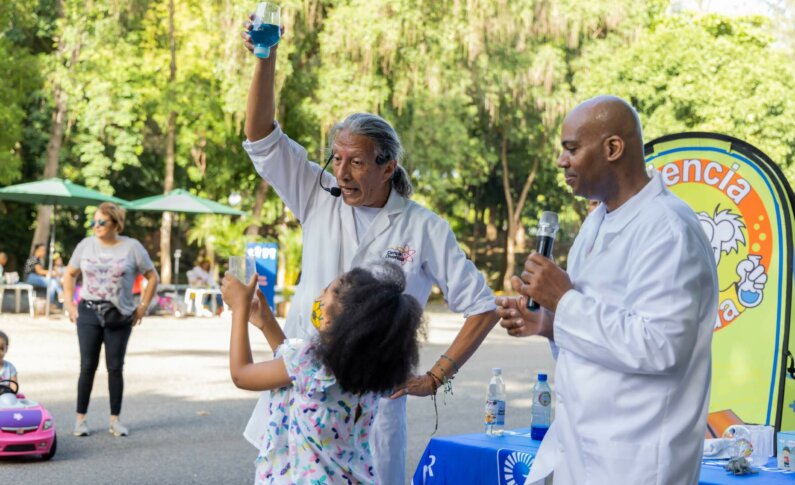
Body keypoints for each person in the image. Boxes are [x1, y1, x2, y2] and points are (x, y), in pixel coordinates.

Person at [240, 24, 499, 483]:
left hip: (369, 416)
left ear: (387, 165)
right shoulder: (318, 194)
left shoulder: (423, 226)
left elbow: (482, 307)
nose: (342, 172)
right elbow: (261, 136)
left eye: (357, 162)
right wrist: (265, 56)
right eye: (336, 159)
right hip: (296, 402)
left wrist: (435, 376)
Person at [496, 96, 719, 485]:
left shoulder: (668, 229)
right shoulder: (597, 221)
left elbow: (661, 345)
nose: (562, 162)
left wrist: (563, 301)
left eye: (571, 149)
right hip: (583, 449)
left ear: (613, 148)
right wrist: (548, 322)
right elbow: (597, 329)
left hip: (637, 460)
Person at [222, 262, 422, 484]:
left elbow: (242, 374)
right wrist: (266, 321)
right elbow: (296, 371)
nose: (317, 298)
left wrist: (239, 309)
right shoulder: (369, 367)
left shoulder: (307, 361)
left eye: (324, 294)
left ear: (330, 320)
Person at [62, 202, 159, 438]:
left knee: (115, 368)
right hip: (88, 312)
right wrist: (69, 305)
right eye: (93, 222)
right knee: (87, 366)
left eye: (101, 222)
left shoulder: (131, 247)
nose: (96, 226)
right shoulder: (85, 245)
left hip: (119, 314)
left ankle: (115, 420)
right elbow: (69, 274)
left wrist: (142, 307)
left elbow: (152, 276)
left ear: (116, 224)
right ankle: (80, 420)